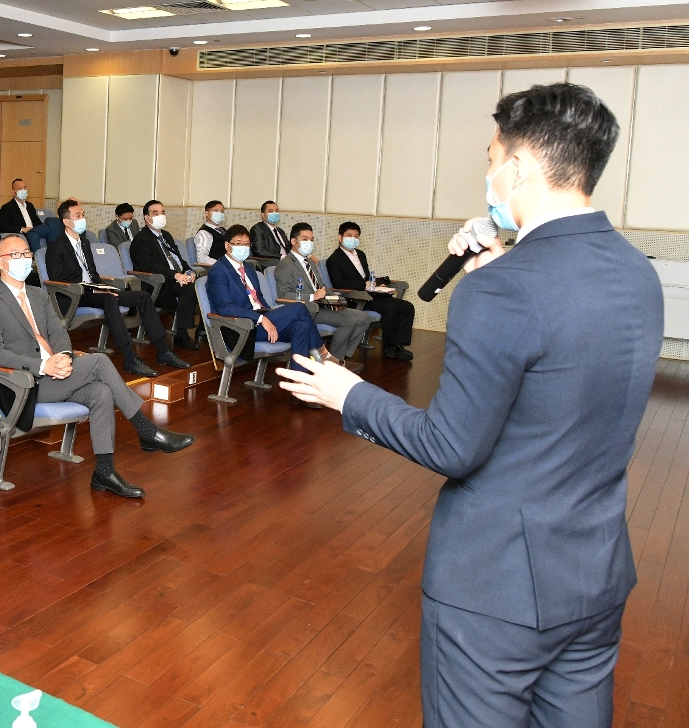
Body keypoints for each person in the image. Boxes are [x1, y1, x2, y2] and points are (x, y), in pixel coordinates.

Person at [278, 82, 663, 728]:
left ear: (519, 167)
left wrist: (349, 394)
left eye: (491, 159)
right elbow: (559, 372)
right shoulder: (636, 271)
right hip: (594, 571)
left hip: (496, 586)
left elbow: (451, 445)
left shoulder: (503, 291)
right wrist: (503, 263)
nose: (488, 175)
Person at [0, 235, 194, 498]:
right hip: (26, 383)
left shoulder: (38, 295)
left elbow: (58, 332)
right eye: (15, 255)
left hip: (58, 372)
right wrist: (44, 366)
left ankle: (104, 472)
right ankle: (147, 431)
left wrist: (65, 356)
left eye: (26, 253)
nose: (23, 259)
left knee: (101, 392)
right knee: (100, 360)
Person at [45, 200, 189, 376]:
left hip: (94, 290)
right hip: (74, 295)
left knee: (142, 296)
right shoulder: (56, 246)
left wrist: (103, 286)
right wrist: (95, 289)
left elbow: (93, 274)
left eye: (83, 214)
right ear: (66, 221)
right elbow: (58, 281)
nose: (82, 218)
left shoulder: (84, 243)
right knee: (108, 298)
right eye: (78, 215)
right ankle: (130, 357)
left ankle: (164, 350)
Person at [207, 225, 331, 409]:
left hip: (261, 320)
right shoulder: (219, 271)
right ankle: (322, 355)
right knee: (299, 308)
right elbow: (225, 307)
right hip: (242, 327)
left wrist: (268, 316)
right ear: (227, 245)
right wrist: (262, 319)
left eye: (246, 244)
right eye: (238, 243)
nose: (243, 247)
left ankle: (300, 390)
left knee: (302, 326)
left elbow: (260, 301)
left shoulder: (249, 269)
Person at [274, 223, 371, 372]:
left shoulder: (310, 262)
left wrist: (336, 300)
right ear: (293, 241)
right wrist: (312, 296)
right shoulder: (285, 264)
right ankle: (334, 366)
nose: (309, 243)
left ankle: (342, 356)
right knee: (348, 322)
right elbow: (284, 295)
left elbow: (322, 287)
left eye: (311, 239)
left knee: (364, 318)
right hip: (308, 308)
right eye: (305, 239)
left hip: (324, 304)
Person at [325, 222, 415, 361]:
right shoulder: (334, 259)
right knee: (389, 307)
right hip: (354, 298)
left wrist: (377, 283)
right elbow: (339, 283)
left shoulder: (361, 254)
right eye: (349, 235)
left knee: (407, 306)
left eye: (356, 236)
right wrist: (364, 285)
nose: (353, 239)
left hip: (370, 294)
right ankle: (389, 347)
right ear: (340, 238)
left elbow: (366, 277)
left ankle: (399, 345)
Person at [129, 200, 199, 350]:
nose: (160, 216)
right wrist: (174, 274)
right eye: (155, 213)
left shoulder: (166, 235)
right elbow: (148, 265)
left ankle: (203, 330)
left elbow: (178, 259)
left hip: (173, 280)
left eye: (162, 212)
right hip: (156, 284)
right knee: (188, 288)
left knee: (200, 283)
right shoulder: (141, 239)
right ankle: (182, 335)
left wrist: (189, 271)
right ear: (147, 218)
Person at [248, 200, 288, 267]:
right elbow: (260, 250)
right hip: (270, 263)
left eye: (276, 211)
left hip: (286, 262)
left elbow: (288, 247)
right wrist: (281, 256)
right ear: (263, 215)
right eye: (271, 211)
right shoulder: (257, 229)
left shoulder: (280, 231)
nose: (274, 213)